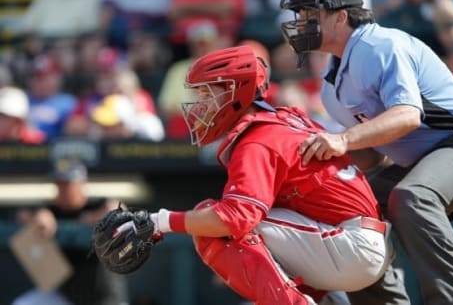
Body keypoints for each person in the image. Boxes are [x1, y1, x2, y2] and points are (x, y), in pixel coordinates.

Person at [116, 45, 395, 304]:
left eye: (207, 94)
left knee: (215, 222)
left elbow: (233, 219)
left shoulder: (258, 139)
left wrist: (159, 221)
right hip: (351, 241)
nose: (199, 105)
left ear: (236, 93)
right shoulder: (283, 118)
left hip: (351, 245)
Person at [279, 0, 453, 305]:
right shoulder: (331, 84)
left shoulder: (379, 44)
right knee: (350, 207)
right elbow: (374, 156)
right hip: (423, 161)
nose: (301, 23)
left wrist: (343, 140)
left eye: (310, 15)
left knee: (410, 196)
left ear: (340, 16)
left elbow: (407, 115)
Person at [13, 158, 128, 305]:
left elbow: (119, 210)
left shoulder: (95, 205)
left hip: (104, 295)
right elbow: (21, 214)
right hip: (66, 294)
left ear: (81, 184)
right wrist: (39, 215)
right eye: (59, 184)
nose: (62, 189)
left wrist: (91, 218)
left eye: (67, 184)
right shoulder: (53, 210)